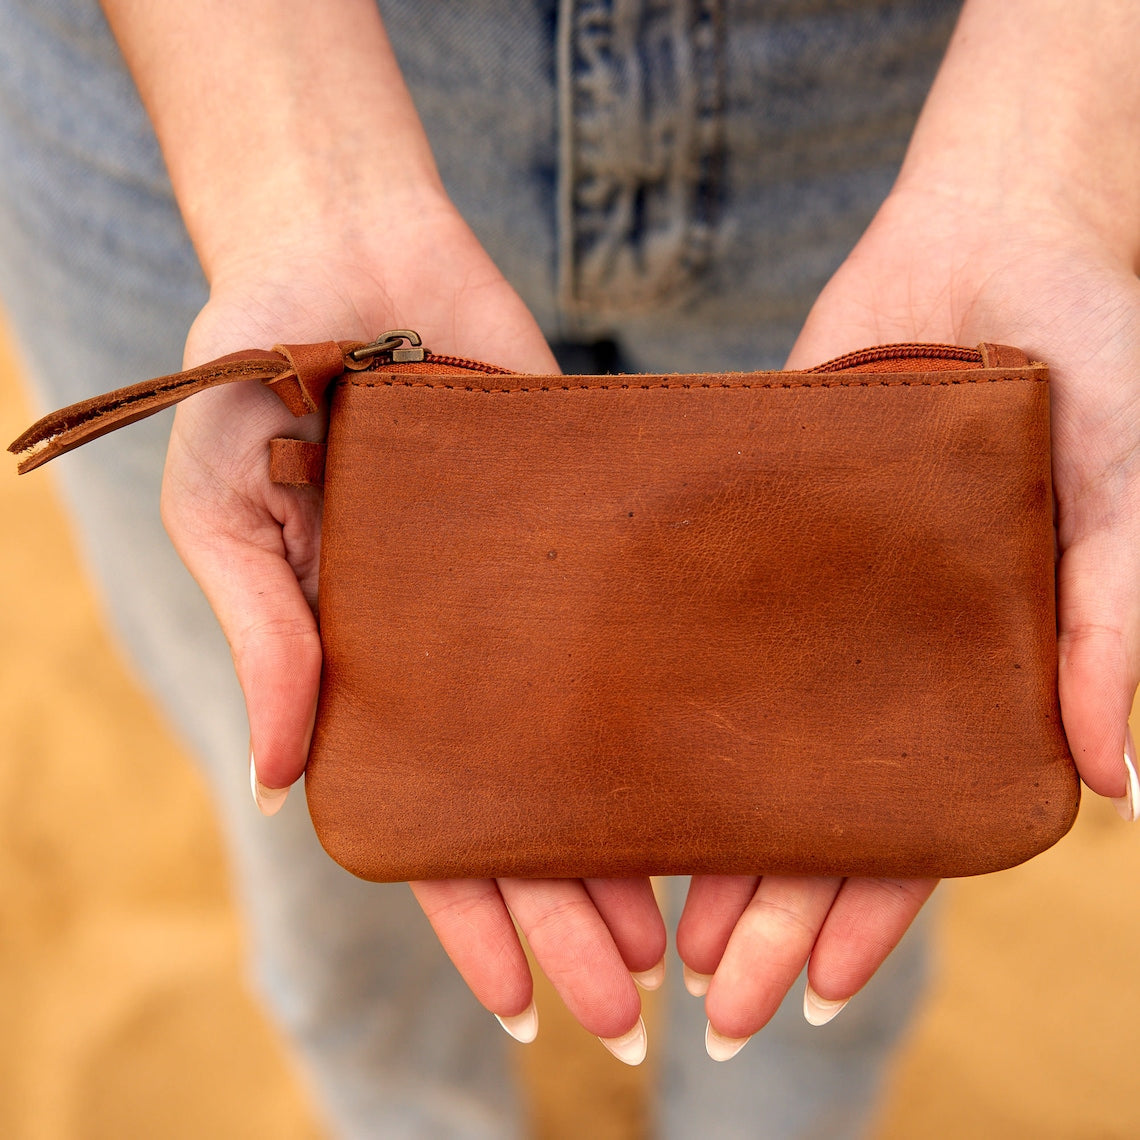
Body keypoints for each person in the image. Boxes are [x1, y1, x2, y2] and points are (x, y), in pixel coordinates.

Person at [2, 0, 1137, 1136]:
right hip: (220, 110)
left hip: (920, 121)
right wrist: (292, 189)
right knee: (335, 864)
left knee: (861, 829)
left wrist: (1051, 176)